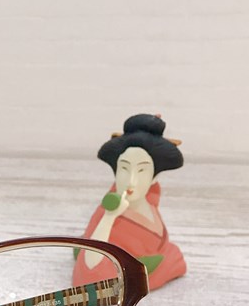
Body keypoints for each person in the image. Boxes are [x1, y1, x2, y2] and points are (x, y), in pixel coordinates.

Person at [73, 113, 186, 291]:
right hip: (116, 274)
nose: (131, 181)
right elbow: (90, 278)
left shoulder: (151, 205)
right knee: (173, 257)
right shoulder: (106, 213)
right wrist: (109, 217)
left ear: (154, 177)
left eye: (142, 170)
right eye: (124, 168)